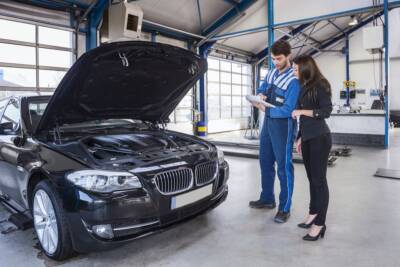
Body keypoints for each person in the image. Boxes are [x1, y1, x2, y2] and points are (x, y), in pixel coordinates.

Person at [249, 40, 300, 223]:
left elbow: (288, 109)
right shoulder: (270, 73)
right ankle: (267, 198)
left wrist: (265, 109)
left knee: (284, 167)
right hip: (268, 124)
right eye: (273, 59)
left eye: (279, 59)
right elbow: (263, 89)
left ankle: (285, 207)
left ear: (288, 56)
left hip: (284, 126)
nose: (276, 62)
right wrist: (260, 95)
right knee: (265, 161)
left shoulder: (294, 81)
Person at [291, 55, 333, 241]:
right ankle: (313, 213)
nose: (293, 71)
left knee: (319, 181)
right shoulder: (303, 86)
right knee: (311, 179)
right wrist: (300, 137)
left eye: (296, 68)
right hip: (307, 138)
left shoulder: (321, 85)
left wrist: (301, 111)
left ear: (306, 68)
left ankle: (320, 224)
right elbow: (304, 120)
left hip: (320, 138)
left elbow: (326, 111)